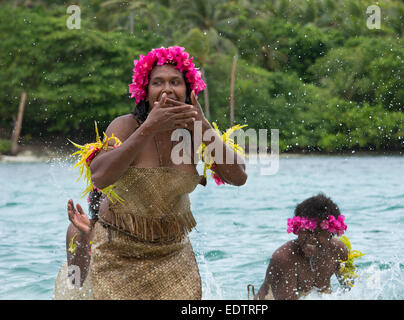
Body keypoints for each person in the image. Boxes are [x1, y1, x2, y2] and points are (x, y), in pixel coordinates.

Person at [53, 46, 247, 300]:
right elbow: (100, 175)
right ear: (145, 92)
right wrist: (148, 127)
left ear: (189, 91)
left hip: (174, 254)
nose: (167, 89)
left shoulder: (194, 131)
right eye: (158, 82)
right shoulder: (125, 126)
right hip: (118, 252)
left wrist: (200, 122)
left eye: (175, 82)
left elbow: (239, 176)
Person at [254, 194, 349, 300]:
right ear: (297, 229)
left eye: (319, 232)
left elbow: (351, 290)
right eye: (307, 230)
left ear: (332, 233)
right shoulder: (285, 258)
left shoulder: (338, 251)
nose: (312, 238)